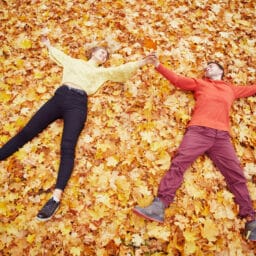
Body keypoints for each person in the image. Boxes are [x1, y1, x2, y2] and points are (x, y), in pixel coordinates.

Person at [1, 36, 151, 221]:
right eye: (101, 51)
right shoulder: (74, 62)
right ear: (92, 52)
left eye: (105, 55)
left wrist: (142, 62)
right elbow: (59, 55)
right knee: (27, 132)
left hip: (78, 104)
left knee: (67, 147)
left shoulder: (101, 72)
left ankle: (55, 198)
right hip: (59, 97)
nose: (103, 55)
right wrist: (49, 45)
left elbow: (120, 70)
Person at [133, 53, 256, 241]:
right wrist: (158, 65)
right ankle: (159, 206)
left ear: (221, 71)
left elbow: (252, 89)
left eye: (212, 66)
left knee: (236, 175)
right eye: (206, 67)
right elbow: (178, 80)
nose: (208, 68)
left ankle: (251, 219)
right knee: (179, 164)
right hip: (198, 132)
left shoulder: (231, 89)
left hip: (221, 137)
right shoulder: (200, 83)